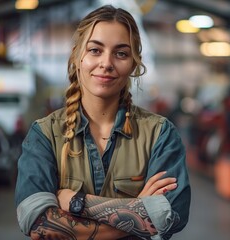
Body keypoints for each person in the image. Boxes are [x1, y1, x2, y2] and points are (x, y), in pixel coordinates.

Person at [14, 4, 191, 240]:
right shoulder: (45, 134)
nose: (106, 63)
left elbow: (167, 217)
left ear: (134, 64)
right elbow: (37, 224)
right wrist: (137, 208)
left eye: (121, 53)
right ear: (78, 57)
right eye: (95, 50)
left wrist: (77, 202)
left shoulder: (160, 134)